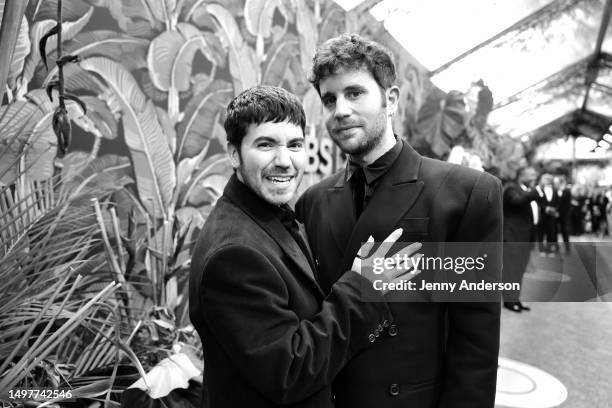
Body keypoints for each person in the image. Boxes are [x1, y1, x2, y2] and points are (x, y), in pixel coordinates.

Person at [296, 34, 503, 408]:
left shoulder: (466, 194)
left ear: (390, 100)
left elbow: (475, 342)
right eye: (330, 99)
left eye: (354, 93)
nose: (340, 109)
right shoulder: (312, 202)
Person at [189, 85, 421, 408]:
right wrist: (362, 287)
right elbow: (290, 371)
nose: (284, 161)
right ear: (233, 153)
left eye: (295, 144)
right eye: (266, 144)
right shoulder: (234, 255)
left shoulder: (272, 214)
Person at [502, 166, 541, 312]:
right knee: (511, 271)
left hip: (525, 238)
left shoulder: (528, 191)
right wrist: (534, 192)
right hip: (513, 238)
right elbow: (517, 201)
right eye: (531, 174)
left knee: (519, 271)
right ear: (521, 175)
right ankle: (509, 301)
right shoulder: (512, 189)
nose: (534, 176)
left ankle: (515, 299)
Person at [537, 173, 559, 255]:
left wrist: (555, 209)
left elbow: (557, 202)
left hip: (552, 215)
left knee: (551, 232)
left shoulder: (555, 190)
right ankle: (541, 249)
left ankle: (549, 249)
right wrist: (545, 208)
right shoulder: (539, 190)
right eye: (544, 179)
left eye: (547, 179)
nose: (545, 181)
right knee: (541, 232)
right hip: (542, 214)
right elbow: (538, 201)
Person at [554, 175, 571, 253]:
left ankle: (567, 248)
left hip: (564, 215)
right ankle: (556, 247)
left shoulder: (567, 191)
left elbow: (566, 205)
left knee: (565, 231)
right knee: (555, 231)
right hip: (556, 214)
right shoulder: (556, 191)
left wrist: (559, 213)